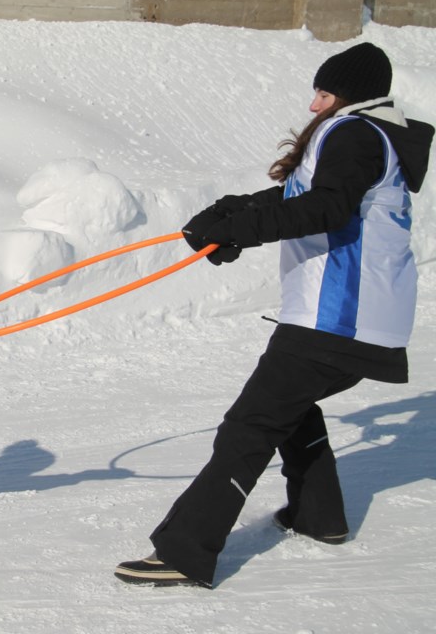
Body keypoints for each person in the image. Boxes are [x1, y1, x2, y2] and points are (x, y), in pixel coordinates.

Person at [114, 42, 433, 588]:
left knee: (250, 426)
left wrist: (241, 230)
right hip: (347, 317)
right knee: (290, 406)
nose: (314, 105)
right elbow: (303, 193)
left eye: (325, 93)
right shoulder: (366, 134)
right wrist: (236, 210)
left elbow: (327, 207)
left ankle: (185, 553)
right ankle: (320, 517)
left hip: (337, 318)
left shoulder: (355, 133)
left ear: (350, 96)